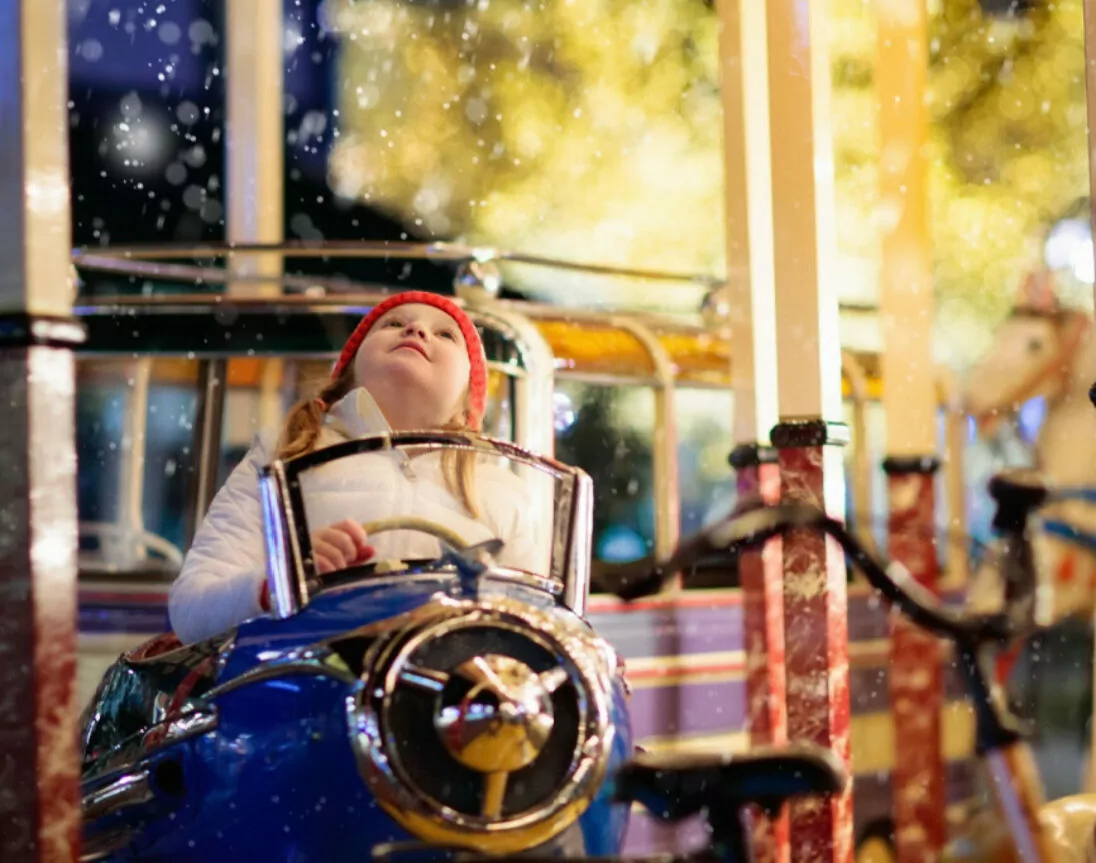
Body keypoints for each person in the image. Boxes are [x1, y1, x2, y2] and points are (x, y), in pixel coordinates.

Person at [168, 291, 542, 644]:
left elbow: (540, 621)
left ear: (467, 400)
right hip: (306, 686)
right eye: (393, 324)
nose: (416, 330)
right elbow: (192, 607)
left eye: (445, 334)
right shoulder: (284, 453)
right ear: (347, 372)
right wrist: (278, 581)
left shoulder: (504, 492)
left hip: (446, 698)